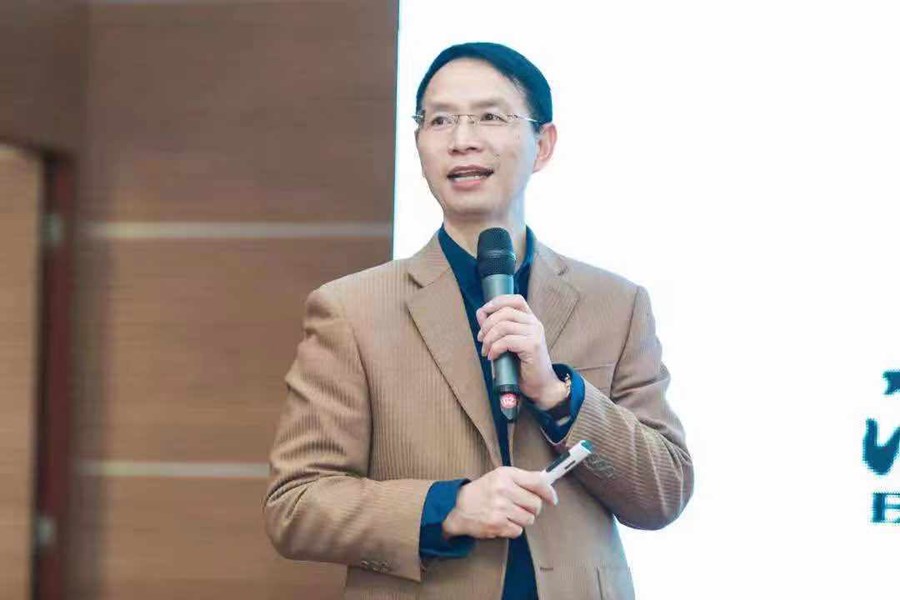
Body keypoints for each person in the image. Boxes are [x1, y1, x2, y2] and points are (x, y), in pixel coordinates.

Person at [264, 42, 693, 600]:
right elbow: (296, 505)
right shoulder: (350, 309)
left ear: (543, 144)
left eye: (490, 116)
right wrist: (448, 507)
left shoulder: (616, 303)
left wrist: (559, 394)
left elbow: (663, 493)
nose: (462, 139)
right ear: (419, 144)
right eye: (440, 120)